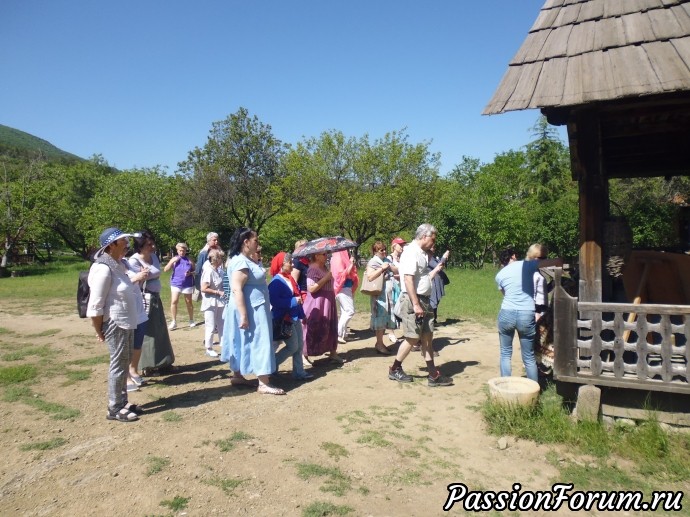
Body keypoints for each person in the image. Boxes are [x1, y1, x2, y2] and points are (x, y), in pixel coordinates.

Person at [87, 227, 147, 422]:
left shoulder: (118, 265)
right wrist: (99, 330)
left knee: (124, 361)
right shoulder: (103, 269)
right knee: (118, 365)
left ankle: (122, 402)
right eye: (123, 242)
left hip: (127, 322)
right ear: (111, 245)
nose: (128, 245)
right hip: (115, 323)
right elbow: (95, 306)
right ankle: (114, 408)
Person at [220, 227, 284, 395]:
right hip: (252, 310)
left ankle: (238, 375)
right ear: (246, 242)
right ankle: (263, 383)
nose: (258, 243)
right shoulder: (241, 262)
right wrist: (244, 315)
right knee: (260, 341)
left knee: (241, 340)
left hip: (252, 307)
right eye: (255, 240)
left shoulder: (242, 259)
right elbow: (237, 289)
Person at [388, 224, 453, 387]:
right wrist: (416, 304)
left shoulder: (422, 253)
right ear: (424, 236)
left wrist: (436, 268)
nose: (434, 242)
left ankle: (433, 375)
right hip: (413, 301)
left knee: (427, 337)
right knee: (412, 337)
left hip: (424, 300)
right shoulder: (411, 253)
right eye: (432, 239)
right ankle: (394, 369)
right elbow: (408, 279)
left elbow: (423, 277)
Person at [495, 247, 563, 381]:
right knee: (529, 356)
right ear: (514, 256)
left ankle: (505, 386)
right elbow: (557, 261)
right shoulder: (526, 265)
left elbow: (505, 294)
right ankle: (533, 390)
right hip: (526, 314)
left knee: (505, 353)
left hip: (506, 313)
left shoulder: (500, 275)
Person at [128, 231, 175, 377]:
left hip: (156, 298)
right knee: (147, 333)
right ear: (140, 245)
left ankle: (163, 362)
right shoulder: (134, 261)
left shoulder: (154, 256)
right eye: (149, 244)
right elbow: (133, 281)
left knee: (159, 330)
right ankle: (147, 365)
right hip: (144, 300)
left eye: (153, 243)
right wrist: (142, 277)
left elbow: (156, 272)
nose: (153, 246)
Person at [268, 252, 313, 380]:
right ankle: (271, 366)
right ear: (282, 264)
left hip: (293, 316)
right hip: (284, 318)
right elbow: (274, 301)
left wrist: (301, 313)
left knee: (299, 346)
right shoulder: (276, 282)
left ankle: (299, 372)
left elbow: (296, 294)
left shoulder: (289, 278)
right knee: (293, 346)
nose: (293, 264)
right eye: (290, 262)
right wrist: (293, 302)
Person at [302, 251, 344, 364]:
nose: (326, 256)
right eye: (324, 254)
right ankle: (304, 355)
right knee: (313, 327)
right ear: (316, 256)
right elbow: (311, 288)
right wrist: (326, 278)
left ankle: (332, 352)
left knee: (330, 326)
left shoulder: (325, 268)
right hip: (317, 302)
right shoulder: (312, 269)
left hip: (328, 300)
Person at [525, 243, 555, 375]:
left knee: (541, 341)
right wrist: (536, 313)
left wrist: (553, 284)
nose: (545, 260)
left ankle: (540, 368)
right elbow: (531, 295)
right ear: (533, 257)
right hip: (537, 311)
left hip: (542, 309)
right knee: (536, 340)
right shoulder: (530, 272)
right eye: (542, 258)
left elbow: (542, 291)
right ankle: (536, 369)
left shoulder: (537, 271)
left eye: (546, 258)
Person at [366, 241, 397, 355]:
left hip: (387, 295)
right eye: (381, 250)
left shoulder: (386, 260)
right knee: (380, 318)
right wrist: (382, 269)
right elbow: (370, 277)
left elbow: (396, 270)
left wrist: (391, 267)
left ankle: (380, 343)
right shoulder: (373, 262)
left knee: (385, 319)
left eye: (384, 249)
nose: (384, 252)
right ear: (375, 251)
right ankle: (379, 344)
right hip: (379, 295)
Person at [163, 242, 196, 330]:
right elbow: (165, 269)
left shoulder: (189, 259)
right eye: (180, 250)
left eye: (183, 250)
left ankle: (191, 320)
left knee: (188, 302)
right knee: (174, 301)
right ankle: (174, 321)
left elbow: (195, 270)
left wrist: (190, 273)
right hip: (176, 283)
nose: (182, 252)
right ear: (177, 251)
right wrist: (172, 262)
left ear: (186, 251)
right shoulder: (174, 259)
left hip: (187, 283)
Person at [200, 248, 226, 357]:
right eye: (220, 257)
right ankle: (209, 348)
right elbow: (203, 288)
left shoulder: (219, 270)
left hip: (220, 301)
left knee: (222, 324)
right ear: (216, 259)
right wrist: (217, 292)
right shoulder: (208, 271)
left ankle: (224, 345)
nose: (222, 260)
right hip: (210, 302)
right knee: (210, 325)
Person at [331, 249, 359, 344]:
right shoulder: (339, 258)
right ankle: (338, 334)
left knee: (344, 311)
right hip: (343, 288)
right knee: (349, 311)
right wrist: (351, 264)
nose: (347, 250)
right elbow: (342, 274)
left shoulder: (336, 257)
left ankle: (343, 334)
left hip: (343, 288)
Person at [428, 246, 451, 325]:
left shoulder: (433, 257)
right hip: (433, 282)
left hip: (437, 282)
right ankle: (431, 320)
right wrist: (444, 257)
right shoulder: (429, 258)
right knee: (433, 301)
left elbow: (441, 265)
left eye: (434, 247)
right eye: (432, 247)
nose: (434, 248)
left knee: (436, 301)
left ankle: (434, 319)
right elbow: (438, 266)